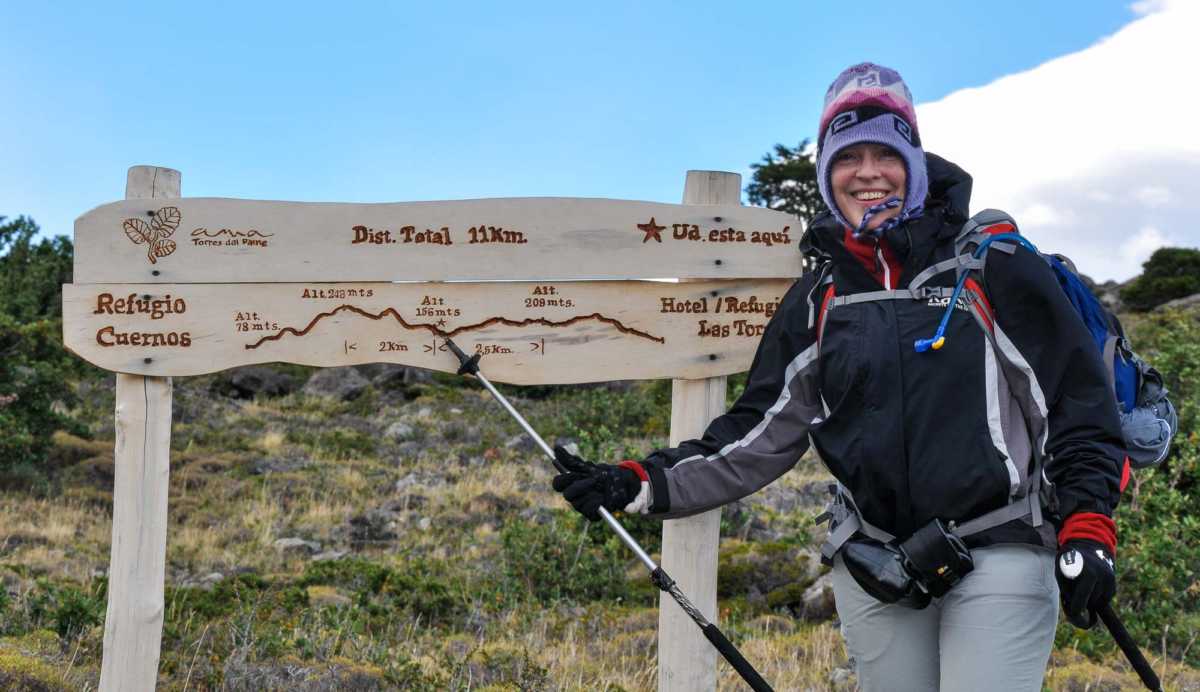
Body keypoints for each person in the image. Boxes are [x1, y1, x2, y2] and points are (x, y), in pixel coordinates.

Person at [551, 63, 1123, 691]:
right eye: (849, 156)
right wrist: (636, 481)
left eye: (887, 153)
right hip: (876, 560)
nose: (869, 172)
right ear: (827, 173)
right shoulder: (818, 296)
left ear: (915, 161)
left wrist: (1088, 525)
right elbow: (754, 434)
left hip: (1001, 548)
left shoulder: (991, 268)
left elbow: (1076, 403)